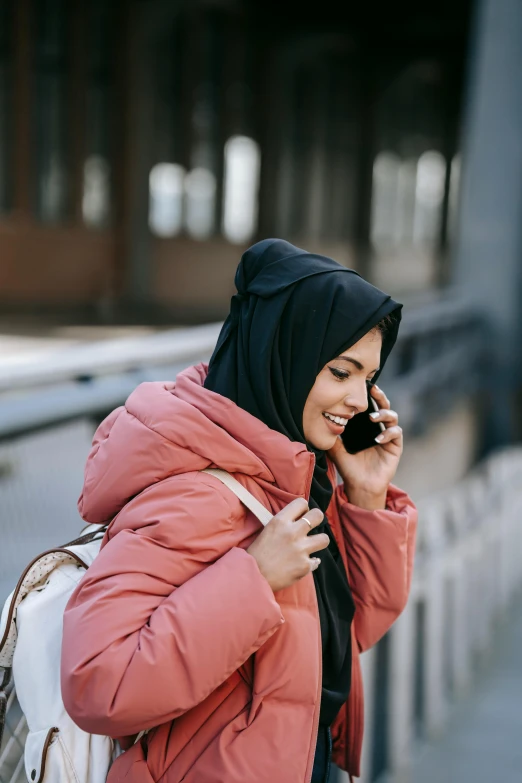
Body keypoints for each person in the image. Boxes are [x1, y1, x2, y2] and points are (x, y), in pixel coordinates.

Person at [61, 239, 417, 783]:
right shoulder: (195, 495)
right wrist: (252, 578)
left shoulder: (296, 481)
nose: (360, 402)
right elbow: (98, 684)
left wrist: (367, 497)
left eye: (368, 379)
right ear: (284, 355)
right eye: (341, 373)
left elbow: (348, 635)